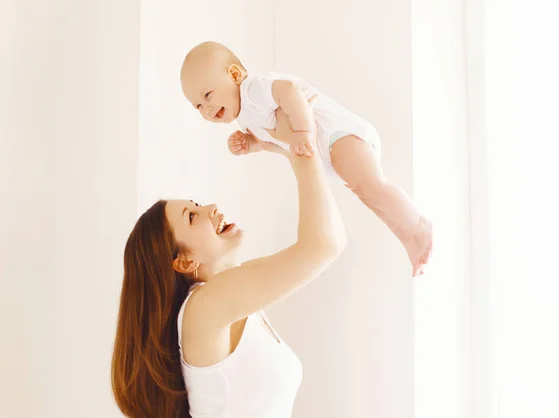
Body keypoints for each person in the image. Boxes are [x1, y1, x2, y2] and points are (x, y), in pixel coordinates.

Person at [111, 102, 346, 418]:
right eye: (192, 216)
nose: (211, 208)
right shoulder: (205, 306)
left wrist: (291, 150)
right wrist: (300, 143)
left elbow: (332, 240)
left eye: (197, 204)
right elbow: (322, 245)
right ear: (183, 261)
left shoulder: (231, 305)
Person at [179, 41, 432, 277]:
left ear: (234, 75)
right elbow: (275, 141)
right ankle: (407, 237)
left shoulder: (252, 89)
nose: (207, 109)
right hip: (329, 150)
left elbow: (288, 91)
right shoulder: (245, 116)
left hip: (335, 133)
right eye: (198, 106)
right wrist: (251, 143)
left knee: (373, 187)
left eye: (208, 95)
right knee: (369, 195)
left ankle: (418, 225)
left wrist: (303, 132)